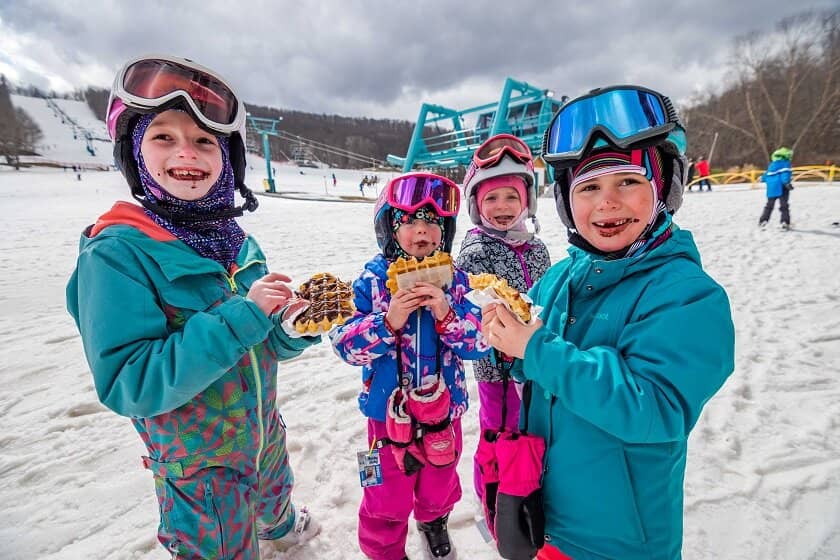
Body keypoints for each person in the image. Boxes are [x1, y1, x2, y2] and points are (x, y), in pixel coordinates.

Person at [66, 55, 321, 559]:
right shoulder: (117, 255)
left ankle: (281, 527)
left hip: (260, 426)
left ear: (227, 159)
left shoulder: (237, 244)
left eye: (205, 140)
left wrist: (291, 328)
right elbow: (130, 383)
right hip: (198, 466)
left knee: (274, 484)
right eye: (164, 136)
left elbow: (263, 342)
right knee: (220, 544)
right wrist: (244, 316)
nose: (187, 151)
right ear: (134, 152)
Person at [482, 85, 735, 560]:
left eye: (628, 182)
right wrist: (503, 341)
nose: (607, 202)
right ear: (565, 202)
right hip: (548, 518)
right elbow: (530, 367)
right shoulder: (561, 276)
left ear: (664, 189)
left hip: (620, 540)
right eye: (589, 187)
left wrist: (535, 349)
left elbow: (655, 406)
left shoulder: (689, 296)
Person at [330, 172, 489, 560]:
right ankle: (384, 549)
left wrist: (447, 313)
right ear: (390, 227)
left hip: (443, 413)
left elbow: (481, 343)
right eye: (410, 222)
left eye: (434, 223)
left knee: (439, 482)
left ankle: (434, 519)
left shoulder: (458, 282)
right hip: (385, 418)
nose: (423, 232)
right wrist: (387, 322)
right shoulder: (371, 282)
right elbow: (344, 345)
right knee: (384, 493)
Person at [455, 133, 551, 533]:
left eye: (511, 197)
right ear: (477, 205)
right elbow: (465, 305)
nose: (502, 208)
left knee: (531, 428)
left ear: (526, 201)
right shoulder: (475, 251)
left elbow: (546, 298)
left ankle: (525, 488)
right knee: (498, 430)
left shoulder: (538, 248)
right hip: (496, 366)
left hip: (536, 360)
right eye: (491, 199)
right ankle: (492, 496)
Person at [759, 147, 794, 230]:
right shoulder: (785, 163)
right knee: (784, 206)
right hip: (782, 187)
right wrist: (787, 183)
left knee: (769, 205)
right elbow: (785, 174)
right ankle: (785, 222)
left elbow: (766, 175)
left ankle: (763, 220)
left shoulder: (772, 164)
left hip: (771, 188)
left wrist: (761, 178)